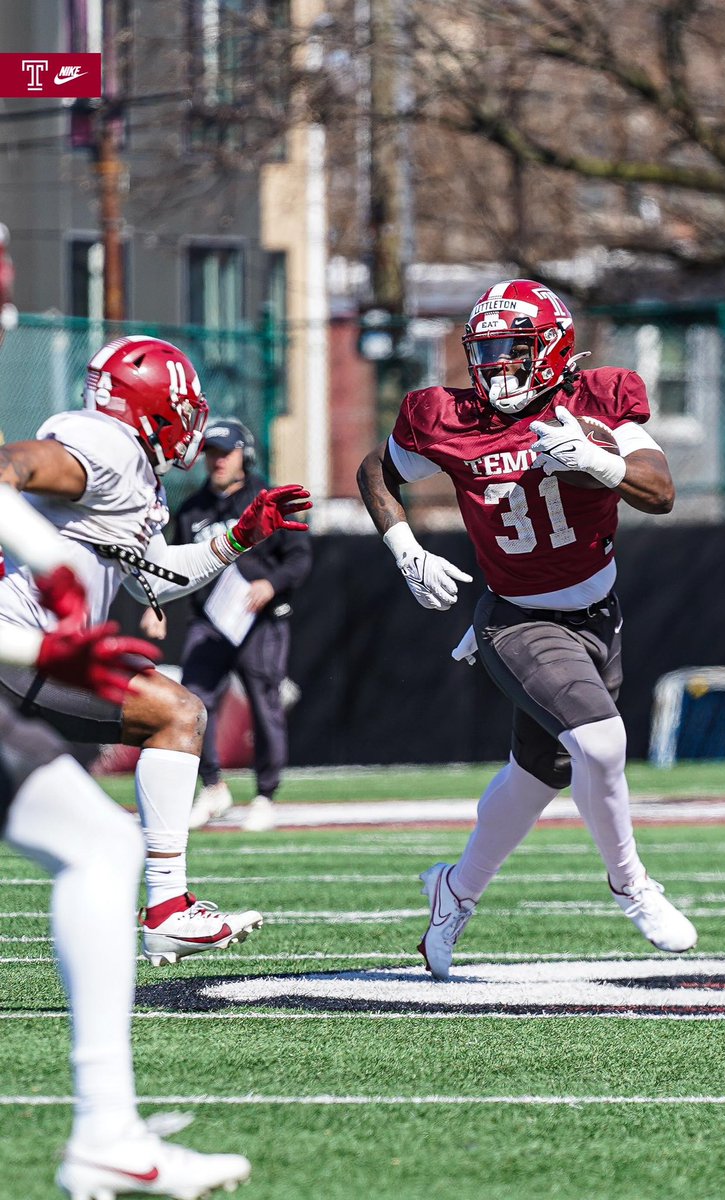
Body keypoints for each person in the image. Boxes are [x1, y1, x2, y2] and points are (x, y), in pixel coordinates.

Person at [357, 278, 697, 980]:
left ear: (551, 349)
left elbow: (660, 492)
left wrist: (600, 463)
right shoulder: (443, 415)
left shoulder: (595, 400)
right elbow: (376, 471)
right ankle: (631, 885)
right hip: (518, 618)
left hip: (600, 619)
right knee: (602, 744)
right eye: (484, 352)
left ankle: (454, 894)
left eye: (513, 350)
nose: (495, 366)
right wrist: (404, 546)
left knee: (539, 773)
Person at [0, 335, 311, 966]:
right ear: (152, 406)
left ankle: (169, 908)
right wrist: (39, 552)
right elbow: (15, 462)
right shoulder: (108, 445)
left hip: (38, 648)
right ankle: (167, 908)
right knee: (176, 712)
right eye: (185, 407)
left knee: (171, 722)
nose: (193, 422)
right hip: (22, 637)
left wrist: (241, 537)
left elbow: (156, 575)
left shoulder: (135, 470)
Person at [0, 483, 252, 1199]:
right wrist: (41, 638)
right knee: (102, 847)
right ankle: (105, 1137)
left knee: (104, 847)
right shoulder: (94, 446)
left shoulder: (138, 481)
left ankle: (107, 1136)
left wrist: (51, 564)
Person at [141, 418, 312, 832]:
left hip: (260, 621)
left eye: (225, 452)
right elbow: (171, 566)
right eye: (211, 453)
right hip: (211, 622)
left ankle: (264, 795)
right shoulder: (193, 509)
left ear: (244, 454)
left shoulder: (266, 499)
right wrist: (155, 604)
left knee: (264, 704)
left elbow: (300, 558)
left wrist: (270, 584)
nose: (217, 461)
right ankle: (213, 786)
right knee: (193, 701)